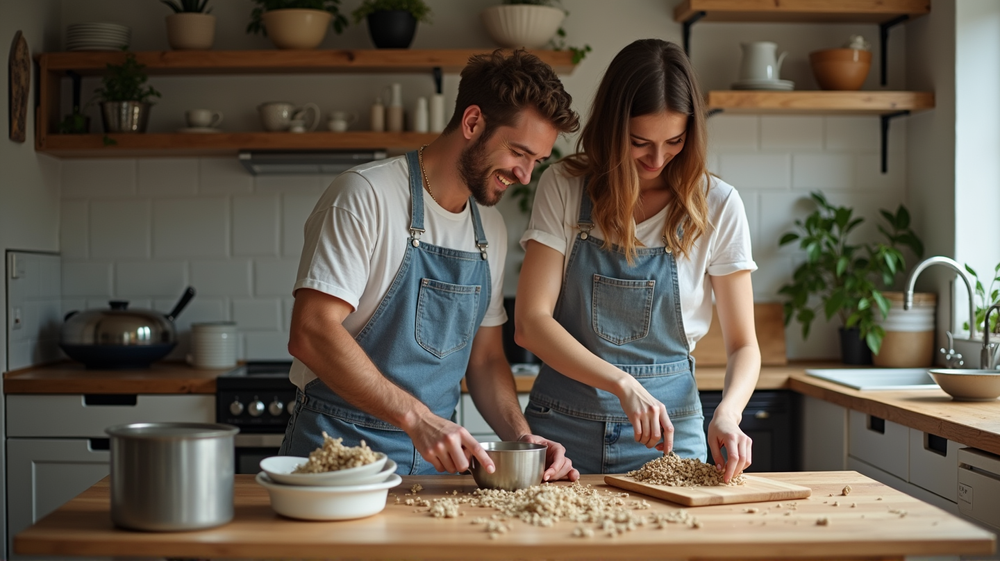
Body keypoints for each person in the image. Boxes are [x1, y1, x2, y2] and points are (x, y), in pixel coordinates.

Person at [280, 49, 581, 480]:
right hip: (339, 453)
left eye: (537, 160)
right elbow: (311, 331)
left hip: (435, 468)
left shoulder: (489, 229)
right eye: (519, 152)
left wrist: (520, 436)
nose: (525, 175)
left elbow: (485, 360)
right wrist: (416, 418)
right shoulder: (364, 196)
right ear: (473, 122)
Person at [514, 39, 760, 482]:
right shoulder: (565, 187)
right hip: (562, 435)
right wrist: (623, 385)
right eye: (639, 142)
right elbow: (531, 323)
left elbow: (744, 345)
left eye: (675, 141)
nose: (658, 159)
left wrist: (728, 413)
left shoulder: (717, 205)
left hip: (670, 437)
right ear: (611, 129)